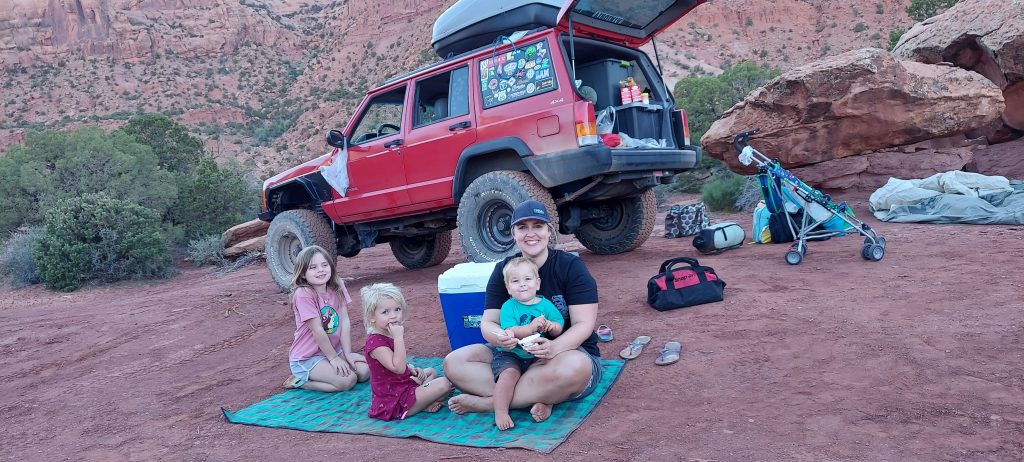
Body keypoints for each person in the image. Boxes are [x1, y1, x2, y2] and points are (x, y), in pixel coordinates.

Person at [444, 199, 602, 423]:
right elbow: (488, 322)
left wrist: (553, 347)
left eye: (537, 226)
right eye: (522, 227)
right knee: (454, 362)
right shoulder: (504, 270)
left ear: (549, 230)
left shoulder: (570, 267)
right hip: (513, 355)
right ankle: (542, 395)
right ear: (513, 233)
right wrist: (502, 337)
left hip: (565, 354)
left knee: (574, 368)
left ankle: (491, 403)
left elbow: (583, 324)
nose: (531, 234)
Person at [491, 256, 565, 430]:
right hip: (511, 354)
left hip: (536, 354)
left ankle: (546, 403)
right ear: (509, 288)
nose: (522, 284)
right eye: (515, 281)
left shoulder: (545, 305)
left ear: (537, 283)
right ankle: (500, 411)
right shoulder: (508, 306)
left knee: (547, 374)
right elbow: (512, 330)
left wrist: (551, 326)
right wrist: (532, 327)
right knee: (508, 375)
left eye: (527, 279)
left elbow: (558, 326)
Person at [362, 283, 453, 421]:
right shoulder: (375, 343)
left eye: (397, 309)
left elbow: (399, 364)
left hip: (403, 385)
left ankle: (424, 401)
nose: (393, 316)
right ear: (371, 317)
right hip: (394, 399)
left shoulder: (388, 333)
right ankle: (423, 404)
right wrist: (398, 337)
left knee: (431, 372)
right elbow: (397, 368)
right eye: (385, 312)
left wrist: (411, 369)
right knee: (444, 384)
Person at [283, 245, 370, 392]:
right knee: (347, 381)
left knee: (364, 372)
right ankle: (300, 382)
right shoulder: (304, 294)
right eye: (313, 267)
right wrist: (333, 358)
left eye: (324, 265)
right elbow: (317, 330)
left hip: (334, 350)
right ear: (303, 273)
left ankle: (334, 364)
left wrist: (347, 353)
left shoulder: (337, 285)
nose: (321, 270)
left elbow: (344, 321)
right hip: (309, 356)